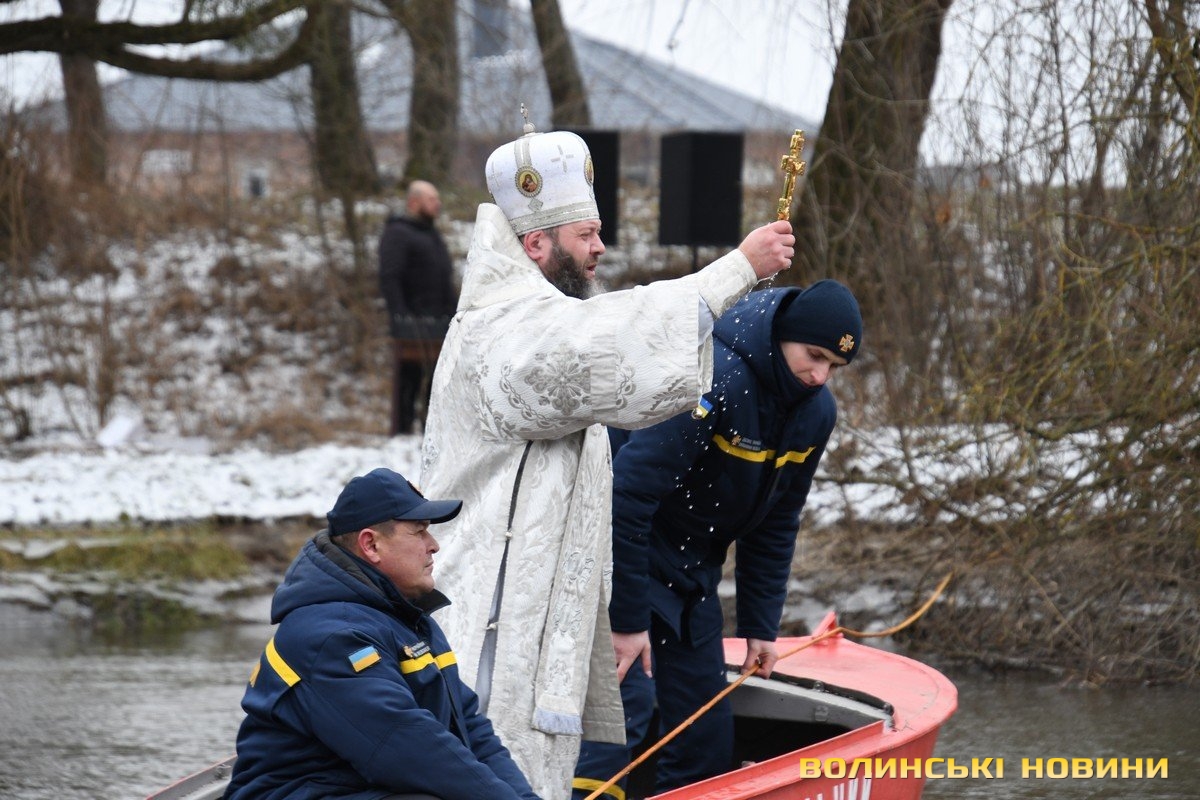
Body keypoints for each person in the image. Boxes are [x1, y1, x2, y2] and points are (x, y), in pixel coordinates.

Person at [417, 118, 796, 799]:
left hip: (530, 619)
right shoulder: (502, 329)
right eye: (586, 234)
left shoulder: (534, 319)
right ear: (536, 242)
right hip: (486, 625)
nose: (600, 247)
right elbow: (609, 342)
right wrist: (738, 269)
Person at [572, 280, 864, 796]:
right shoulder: (714, 377)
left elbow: (777, 522)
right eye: (814, 356)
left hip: (693, 575)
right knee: (619, 720)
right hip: (621, 557)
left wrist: (760, 626)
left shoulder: (817, 413)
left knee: (704, 740)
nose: (820, 376)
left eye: (834, 367)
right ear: (783, 336)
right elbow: (626, 496)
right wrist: (625, 621)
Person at [224, 467, 541, 800]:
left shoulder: (410, 622)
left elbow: (471, 730)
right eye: (419, 532)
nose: (433, 545)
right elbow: (410, 748)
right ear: (371, 545)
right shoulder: (331, 636)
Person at [378, 180, 458, 436]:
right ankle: (401, 434)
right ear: (414, 202)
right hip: (413, 326)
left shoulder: (431, 234)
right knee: (408, 383)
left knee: (436, 384)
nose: (438, 204)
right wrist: (401, 316)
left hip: (439, 324)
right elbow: (390, 278)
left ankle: (429, 433)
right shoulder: (398, 233)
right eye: (431, 199)